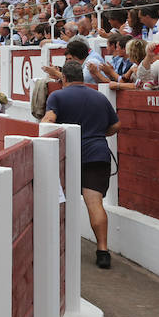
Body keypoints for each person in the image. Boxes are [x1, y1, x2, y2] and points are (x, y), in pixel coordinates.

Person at [43, 60, 120, 269]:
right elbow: (115, 125)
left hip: (68, 154)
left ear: (64, 78)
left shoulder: (57, 95)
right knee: (94, 203)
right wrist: (96, 135)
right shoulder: (99, 96)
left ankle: (56, 247)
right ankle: (103, 251)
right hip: (97, 153)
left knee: (57, 200)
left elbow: (48, 121)